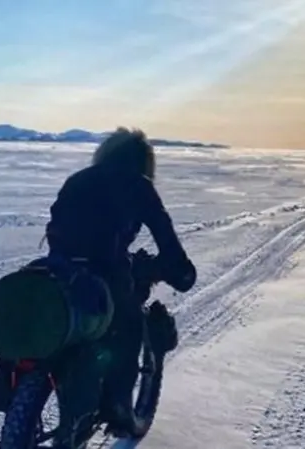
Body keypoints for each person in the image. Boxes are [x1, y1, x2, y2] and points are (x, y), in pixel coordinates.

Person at [44, 126, 197, 437]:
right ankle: (119, 406)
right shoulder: (138, 186)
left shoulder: (78, 180)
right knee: (126, 324)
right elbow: (166, 240)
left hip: (57, 272)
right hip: (103, 275)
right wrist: (182, 274)